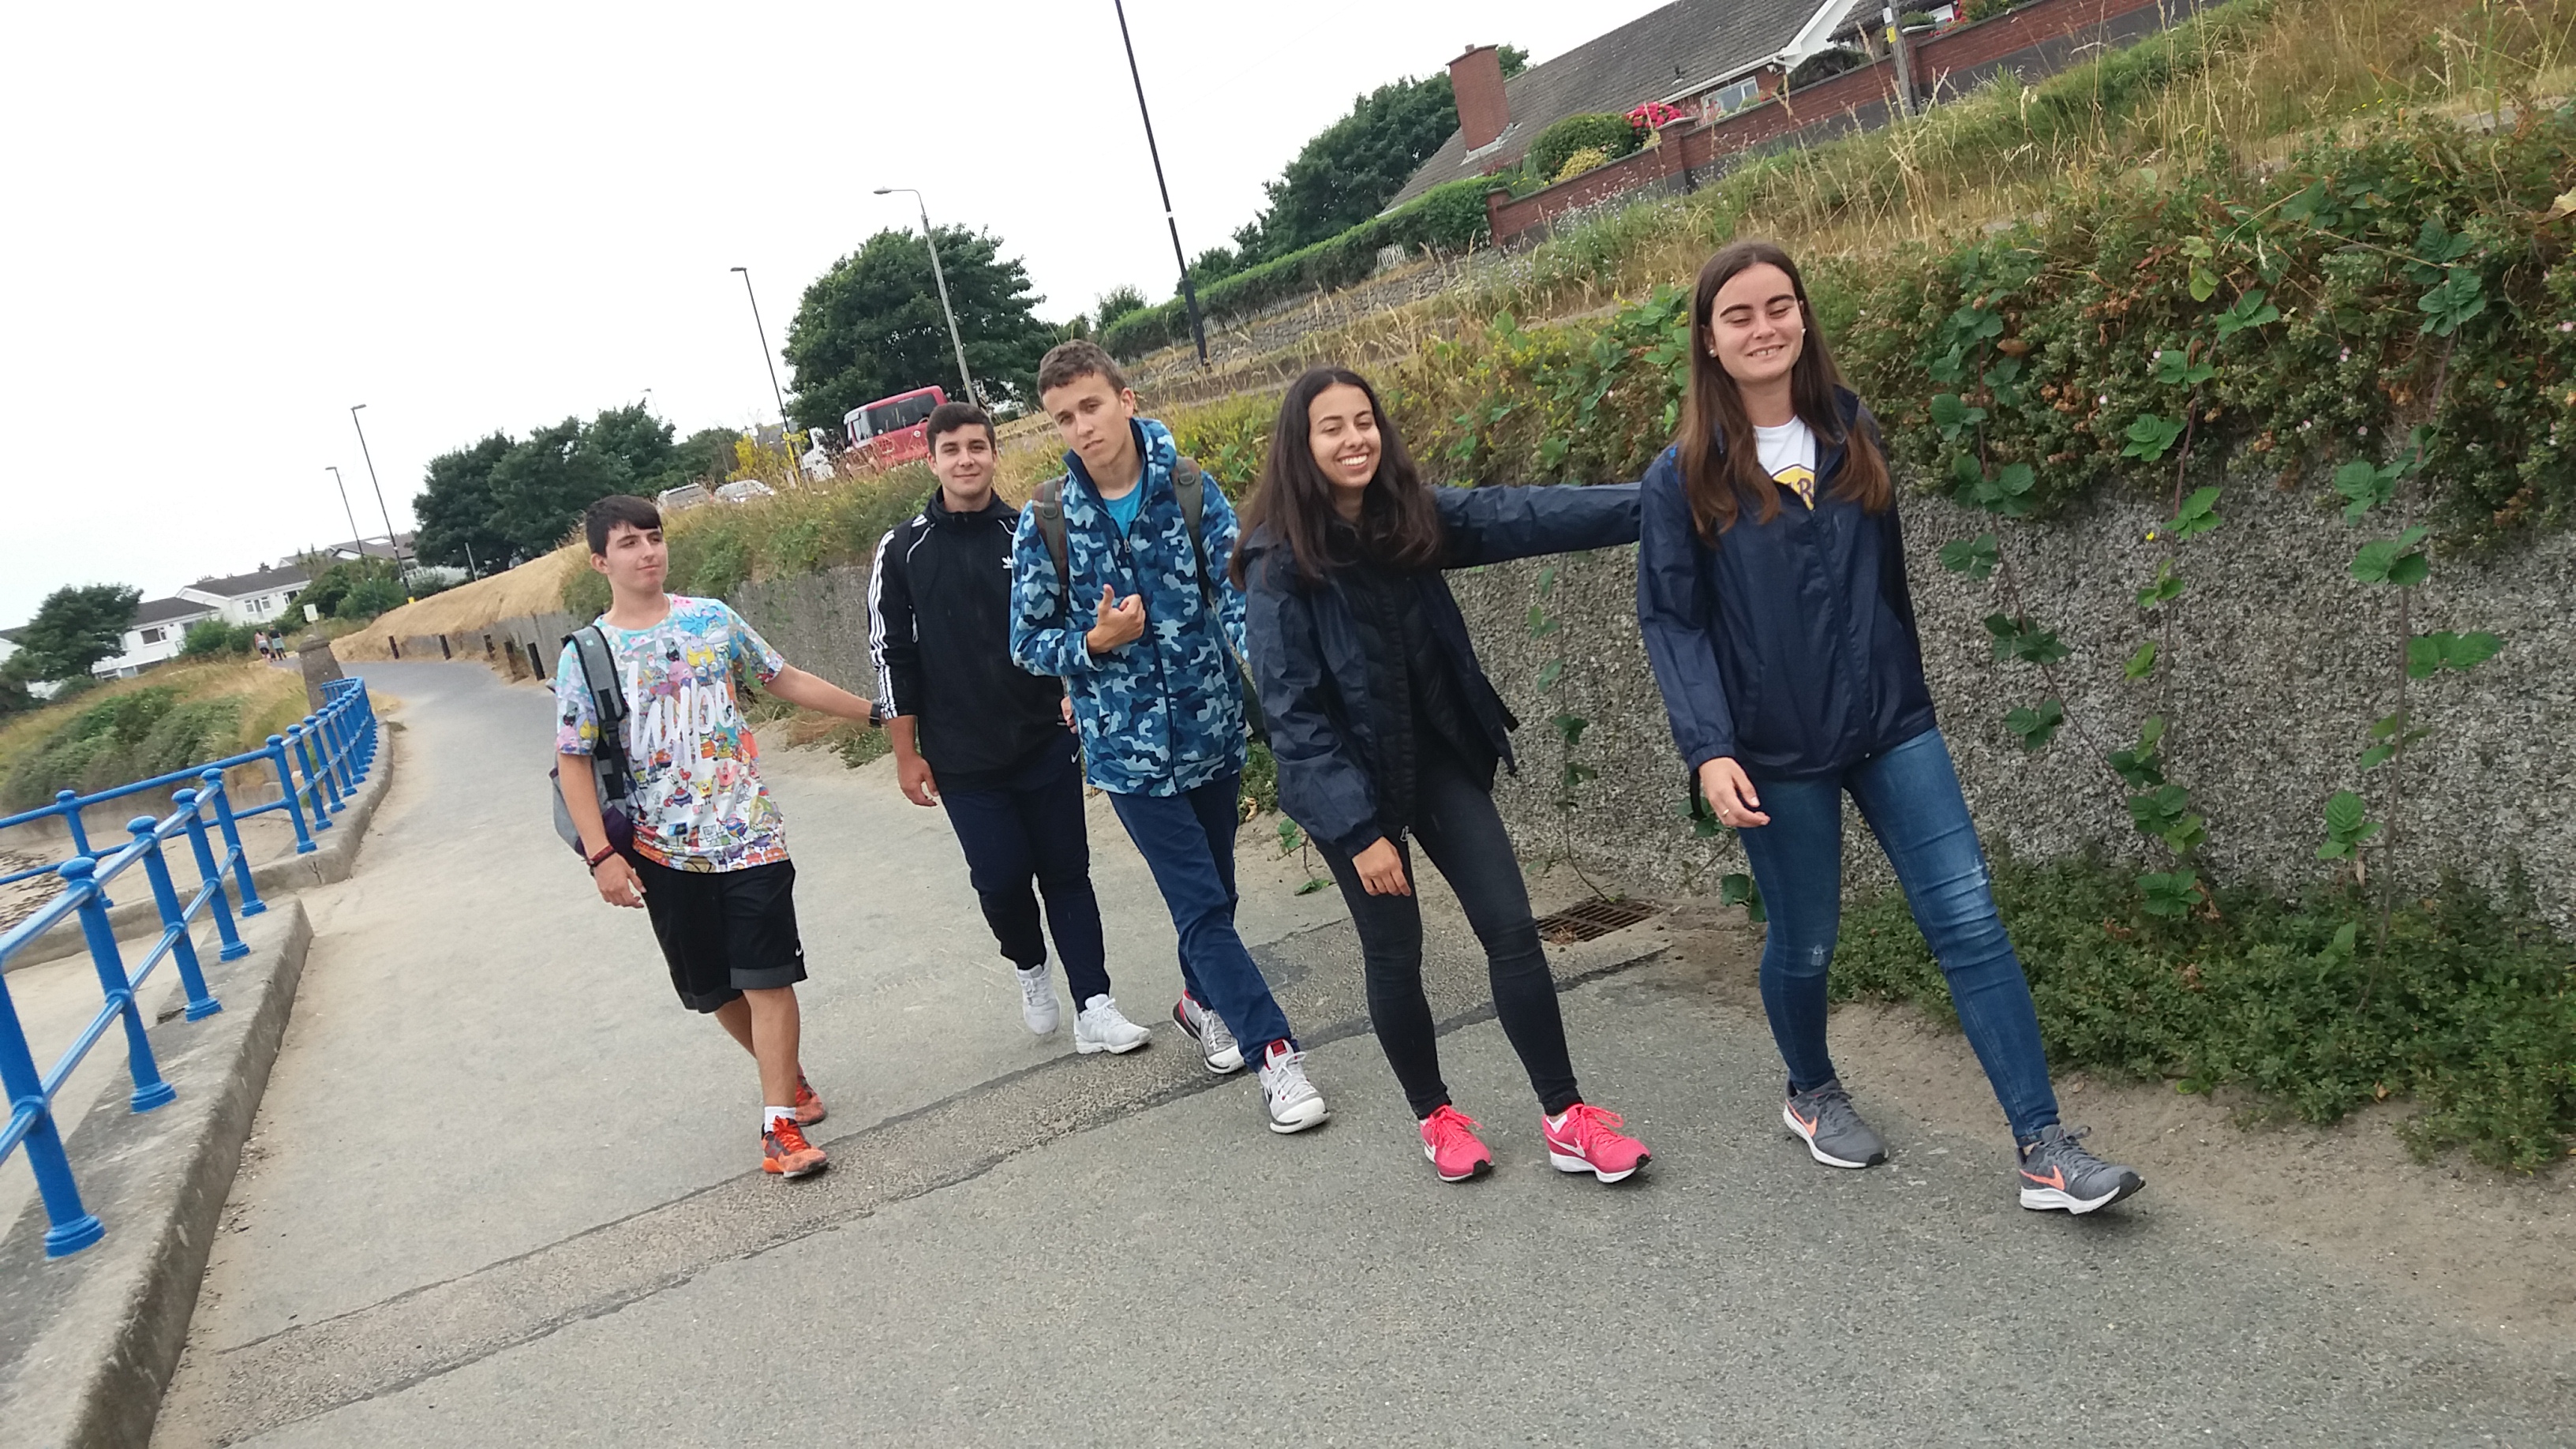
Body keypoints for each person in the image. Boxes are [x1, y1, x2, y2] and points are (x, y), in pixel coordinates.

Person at [1634, 239, 2144, 1215]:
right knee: (1807, 942)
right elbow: (1674, 623)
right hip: (1776, 748)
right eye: (1739, 315)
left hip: (1893, 725)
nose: (1764, 328)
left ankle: (2045, 1148)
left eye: (1780, 306)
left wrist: (1903, 683)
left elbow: (1888, 584)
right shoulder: (1684, 476)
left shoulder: (1847, 429)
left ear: (1803, 315)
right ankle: (1811, 1090)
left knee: (1970, 922)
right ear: (1708, 339)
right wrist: (1710, 749)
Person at [1236, 366, 1654, 1185]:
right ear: (1301, 445)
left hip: (1434, 762)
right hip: (1350, 789)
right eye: (1332, 427)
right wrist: (1358, 831)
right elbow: (1291, 715)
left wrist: (1659, 500)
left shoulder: (1407, 517)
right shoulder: (1277, 561)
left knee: (1511, 929)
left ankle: (1565, 1117)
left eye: (1365, 421)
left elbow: (1523, 515)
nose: (1354, 438)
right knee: (1396, 953)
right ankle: (1435, 1117)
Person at [1007, 339, 1324, 1134]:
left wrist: (1277, 686)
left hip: (1212, 733)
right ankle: (1275, 1056)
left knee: (1217, 894)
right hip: (1128, 755)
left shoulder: (1188, 489)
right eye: (1064, 417)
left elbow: (1238, 597)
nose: (1082, 427)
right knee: (1201, 904)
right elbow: (1025, 642)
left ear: (1126, 400)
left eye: (1091, 406)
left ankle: (1196, 1001)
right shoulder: (1047, 520)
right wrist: (1094, 642)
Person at [555, 494, 882, 1181]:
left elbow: (783, 677)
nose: (648, 552)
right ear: (600, 562)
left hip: (749, 832)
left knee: (769, 977)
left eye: (654, 537)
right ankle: (787, 1078)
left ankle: (779, 1127)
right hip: (660, 850)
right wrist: (602, 857)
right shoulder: (587, 654)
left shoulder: (711, 618)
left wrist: (877, 714)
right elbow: (574, 759)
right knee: (712, 989)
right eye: (628, 543)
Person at [868, 400, 1152, 1055]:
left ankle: (1095, 1005)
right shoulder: (903, 549)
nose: (965, 460)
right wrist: (906, 753)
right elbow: (891, 655)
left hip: (1043, 738)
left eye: (977, 447)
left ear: (995, 454)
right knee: (1001, 880)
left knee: (1067, 872)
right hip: (960, 755)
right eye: (951, 450)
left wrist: (1074, 692)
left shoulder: (1031, 532)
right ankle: (1029, 965)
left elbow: (1072, 624)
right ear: (931, 460)